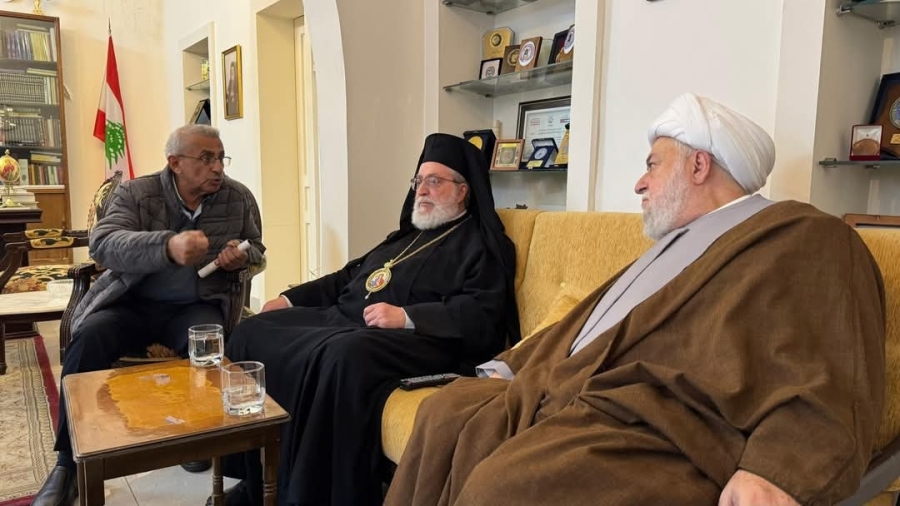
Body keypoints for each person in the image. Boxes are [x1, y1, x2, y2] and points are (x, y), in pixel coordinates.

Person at [384, 94, 886, 506]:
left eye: (652, 166)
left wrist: (777, 469)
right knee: (444, 412)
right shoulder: (671, 244)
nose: (639, 183)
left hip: (660, 426)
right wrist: (511, 365)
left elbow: (833, 364)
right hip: (569, 393)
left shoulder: (804, 234)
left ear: (698, 165)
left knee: (508, 486)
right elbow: (588, 321)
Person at [213, 132, 520, 506]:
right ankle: (260, 477)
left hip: (422, 340)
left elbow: (481, 312)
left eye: (435, 181)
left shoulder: (482, 245)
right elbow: (347, 277)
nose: (422, 190)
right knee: (252, 330)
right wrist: (290, 298)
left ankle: (307, 493)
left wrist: (407, 316)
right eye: (419, 181)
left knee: (343, 355)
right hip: (347, 321)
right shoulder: (403, 238)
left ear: (463, 191)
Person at [32, 124, 265, 506]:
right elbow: (103, 244)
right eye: (206, 158)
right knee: (89, 339)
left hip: (195, 303)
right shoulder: (137, 193)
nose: (217, 167)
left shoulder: (235, 197)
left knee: (209, 342)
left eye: (221, 158)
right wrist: (167, 246)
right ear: (175, 162)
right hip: (130, 302)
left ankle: (197, 435)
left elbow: (256, 247)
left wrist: (241, 256)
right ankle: (67, 465)